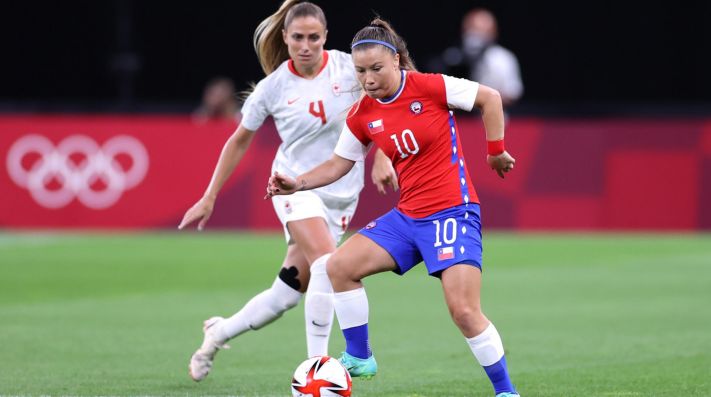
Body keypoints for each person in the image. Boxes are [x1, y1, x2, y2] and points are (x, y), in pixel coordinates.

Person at [267, 17, 520, 397]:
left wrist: (496, 151)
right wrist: (296, 183)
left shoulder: (430, 86)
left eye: (376, 69)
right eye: (360, 71)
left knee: (464, 312)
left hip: (452, 212)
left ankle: (505, 391)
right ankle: (360, 356)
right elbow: (339, 164)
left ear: (398, 60)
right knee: (338, 266)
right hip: (408, 217)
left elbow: (490, 98)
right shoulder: (363, 113)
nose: (368, 79)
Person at [178, 0, 396, 382]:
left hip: (341, 193)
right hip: (292, 186)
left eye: (314, 37)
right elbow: (238, 141)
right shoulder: (274, 87)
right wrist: (210, 195)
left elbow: (385, 101)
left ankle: (218, 333)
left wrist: (380, 155)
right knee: (330, 265)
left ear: (326, 37)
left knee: (287, 294)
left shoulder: (349, 68)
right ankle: (318, 371)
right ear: (285, 38)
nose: (306, 45)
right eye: (298, 37)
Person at [429, 8, 523, 107]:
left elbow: (513, 93)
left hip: (492, 114)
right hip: (457, 116)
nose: (475, 35)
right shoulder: (452, 57)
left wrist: (482, 98)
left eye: (481, 30)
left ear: (493, 32)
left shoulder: (503, 58)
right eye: (472, 29)